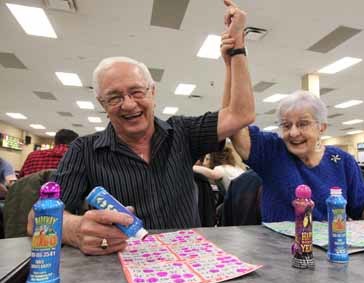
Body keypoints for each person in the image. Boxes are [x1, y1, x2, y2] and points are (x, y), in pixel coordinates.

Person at [27, 0, 254, 255]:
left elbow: (240, 114)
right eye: (114, 97)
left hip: (188, 267)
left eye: (137, 92)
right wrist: (76, 228)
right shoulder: (83, 150)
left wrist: (236, 52)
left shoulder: (183, 133)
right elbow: (36, 219)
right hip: (119, 274)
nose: (128, 104)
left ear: (153, 92)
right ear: (102, 104)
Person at [228, 90, 364, 222]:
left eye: (302, 123)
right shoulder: (273, 152)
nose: (292, 133)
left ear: (322, 127)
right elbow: (235, 124)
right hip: (280, 252)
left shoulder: (343, 161)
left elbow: (362, 208)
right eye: (286, 125)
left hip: (333, 252)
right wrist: (234, 56)